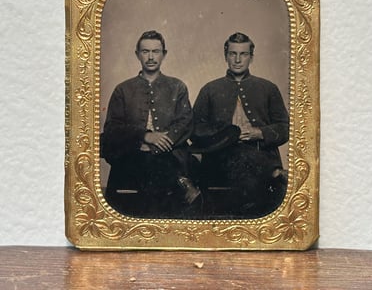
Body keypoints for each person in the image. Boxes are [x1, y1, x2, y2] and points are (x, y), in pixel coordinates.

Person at [101, 30, 200, 218]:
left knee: (162, 175)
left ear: (164, 54)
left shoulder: (177, 86)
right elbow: (112, 128)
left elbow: (185, 121)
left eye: (156, 51)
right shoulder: (123, 89)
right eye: (145, 51)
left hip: (169, 155)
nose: (151, 57)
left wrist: (161, 142)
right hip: (133, 156)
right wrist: (145, 136)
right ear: (137, 54)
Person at [192, 32, 289, 218]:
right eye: (233, 54)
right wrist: (228, 135)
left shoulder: (268, 88)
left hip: (260, 152)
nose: (237, 59)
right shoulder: (210, 89)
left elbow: (285, 128)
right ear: (225, 56)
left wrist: (260, 133)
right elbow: (195, 129)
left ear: (251, 57)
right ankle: (274, 173)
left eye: (243, 54)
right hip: (221, 157)